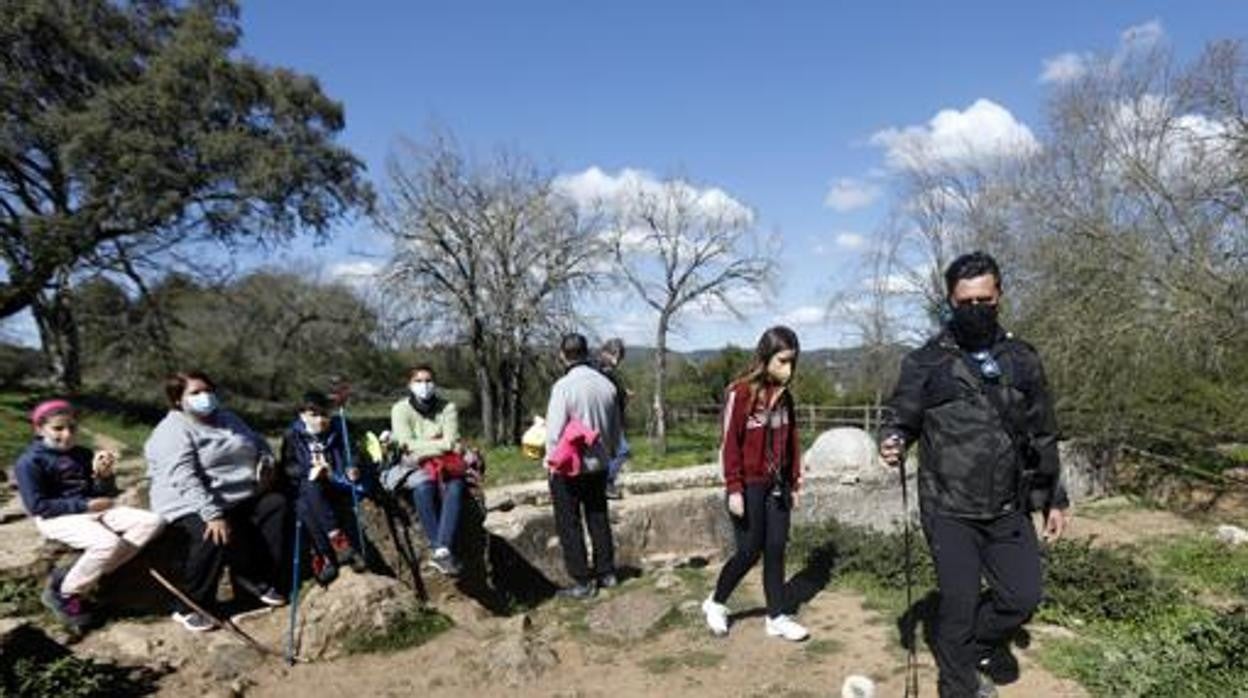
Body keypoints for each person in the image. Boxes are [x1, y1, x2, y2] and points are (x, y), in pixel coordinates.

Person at [878, 251, 1070, 698]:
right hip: (948, 508)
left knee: (1021, 598)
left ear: (999, 295)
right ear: (949, 301)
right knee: (959, 607)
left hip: (1008, 505)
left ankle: (968, 650)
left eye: (984, 300)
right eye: (965, 302)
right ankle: (960, 687)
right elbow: (900, 416)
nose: (976, 309)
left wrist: (1053, 498)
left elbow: (1041, 432)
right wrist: (891, 439)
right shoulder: (926, 362)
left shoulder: (1023, 360)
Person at [145, 371, 289, 633]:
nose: (205, 397)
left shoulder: (228, 418)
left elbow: (257, 442)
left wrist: (266, 463)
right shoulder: (172, 430)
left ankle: (253, 582)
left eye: (208, 390)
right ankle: (190, 604)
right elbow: (182, 476)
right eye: (195, 393)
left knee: (275, 505)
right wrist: (211, 513)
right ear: (178, 400)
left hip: (234, 494)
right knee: (212, 534)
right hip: (187, 500)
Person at [15, 399, 164, 634]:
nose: (67, 434)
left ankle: (78, 578)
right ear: (39, 428)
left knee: (152, 522)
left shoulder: (83, 454)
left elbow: (102, 493)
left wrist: (104, 477)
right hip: (57, 517)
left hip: (94, 511)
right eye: (58, 428)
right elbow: (37, 506)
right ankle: (66, 593)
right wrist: (84, 504)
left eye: (72, 428)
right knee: (108, 543)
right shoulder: (30, 462)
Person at [701, 326, 809, 642]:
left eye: (793, 361)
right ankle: (716, 602)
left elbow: (792, 443)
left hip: (777, 486)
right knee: (749, 551)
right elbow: (729, 444)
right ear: (765, 357)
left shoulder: (785, 397)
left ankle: (776, 616)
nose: (789, 369)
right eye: (783, 360)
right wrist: (734, 488)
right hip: (748, 485)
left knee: (776, 549)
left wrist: (795, 483)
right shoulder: (740, 393)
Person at [544, 333, 623, 599]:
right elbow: (614, 429)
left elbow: (555, 433)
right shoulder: (607, 385)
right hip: (599, 463)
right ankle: (606, 572)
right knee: (598, 516)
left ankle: (581, 580)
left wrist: (550, 461)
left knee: (569, 523)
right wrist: (608, 456)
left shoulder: (563, 387)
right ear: (587, 352)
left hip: (569, 465)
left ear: (562, 354)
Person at [278, 390, 366, 586]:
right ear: (302, 415)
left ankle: (327, 557)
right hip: (309, 483)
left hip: (337, 481)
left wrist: (353, 467)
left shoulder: (339, 428)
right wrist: (308, 470)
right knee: (306, 498)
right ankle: (339, 545)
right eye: (313, 415)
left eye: (324, 414)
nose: (320, 419)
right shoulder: (292, 435)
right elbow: (287, 466)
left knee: (306, 502)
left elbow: (353, 452)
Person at [387, 365, 467, 576]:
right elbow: (405, 442)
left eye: (428, 380)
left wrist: (421, 446)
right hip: (415, 465)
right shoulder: (400, 409)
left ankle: (441, 550)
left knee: (456, 487)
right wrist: (438, 444)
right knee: (423, 488)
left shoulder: (447, 407)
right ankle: (441, 549)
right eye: (419, 381)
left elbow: (452, 442)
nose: (425, 385)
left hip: (446, 463)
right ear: (410, 384)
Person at [595, 338, 630, 500]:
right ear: (613, 353)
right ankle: (605, 484)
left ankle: (605, 485)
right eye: (619, 357)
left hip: (609, 418)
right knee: (623, 451)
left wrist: (624, 395)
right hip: (607, 419)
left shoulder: (602, 369)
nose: (619, 362)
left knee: (611, 454)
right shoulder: (602, 370)